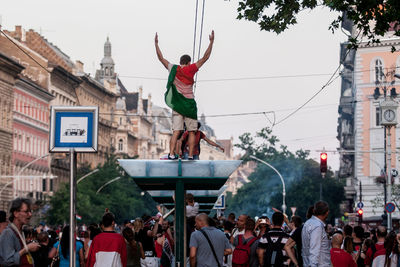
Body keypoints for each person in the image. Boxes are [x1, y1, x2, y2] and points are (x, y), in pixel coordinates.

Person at [155, 30, 215, 160]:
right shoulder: (191, 68)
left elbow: (161, 58)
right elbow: (205, 58)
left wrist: (156, 44)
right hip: (189, 105)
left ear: (180, 61)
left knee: (176, 132)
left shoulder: (173, 68)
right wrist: (211, 42)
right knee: (192, 131)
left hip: (177, 105)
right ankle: (192, 155)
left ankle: (171, 154)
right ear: (188, 62)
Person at [0, 198, 40, 266]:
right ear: (16, 213)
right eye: (26, 211)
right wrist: (26, 249)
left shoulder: (20, 232)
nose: (30, 214)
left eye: (31, 211)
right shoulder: (8, 233)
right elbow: (7, 261)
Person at [301, 201, 331, 267]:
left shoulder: (308, 223)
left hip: (307, 263)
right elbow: (314, 250)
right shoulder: (317, 226)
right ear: (326, 212)